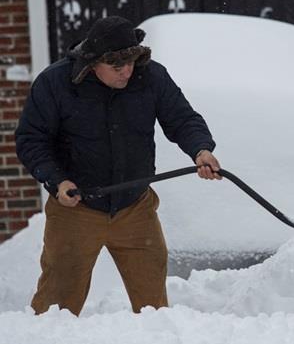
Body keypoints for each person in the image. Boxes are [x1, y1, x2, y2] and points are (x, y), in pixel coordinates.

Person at [15, 16, 221, 316]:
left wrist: (201, 149)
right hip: (76, 209)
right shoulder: (55, 83)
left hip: (135, 208)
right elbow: (31, 140)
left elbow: (182, 119)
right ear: (92, 62)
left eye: (131, 63)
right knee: (56, 308)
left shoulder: (151, 77)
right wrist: (57, 181)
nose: (127, 72)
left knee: (155, 309)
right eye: (116, 67)